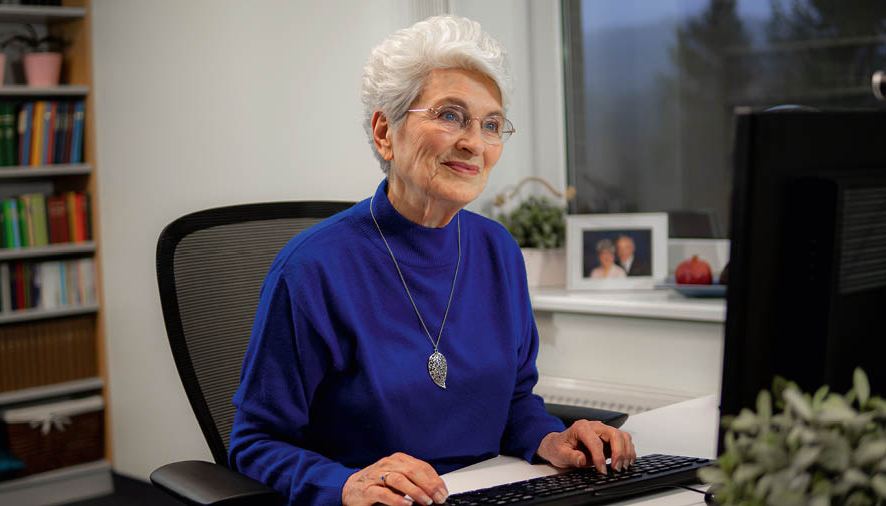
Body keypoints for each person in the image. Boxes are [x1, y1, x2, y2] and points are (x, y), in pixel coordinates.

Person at [228, 16, 636, 506]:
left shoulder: (498, 251)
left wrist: (550, 439)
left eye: (490, 125)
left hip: (494, 492)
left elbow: (511, 403)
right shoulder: (311, 269)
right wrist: (344, 486)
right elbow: (254, 443)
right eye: (450, 116)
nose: (474, 143)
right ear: (385, 132)